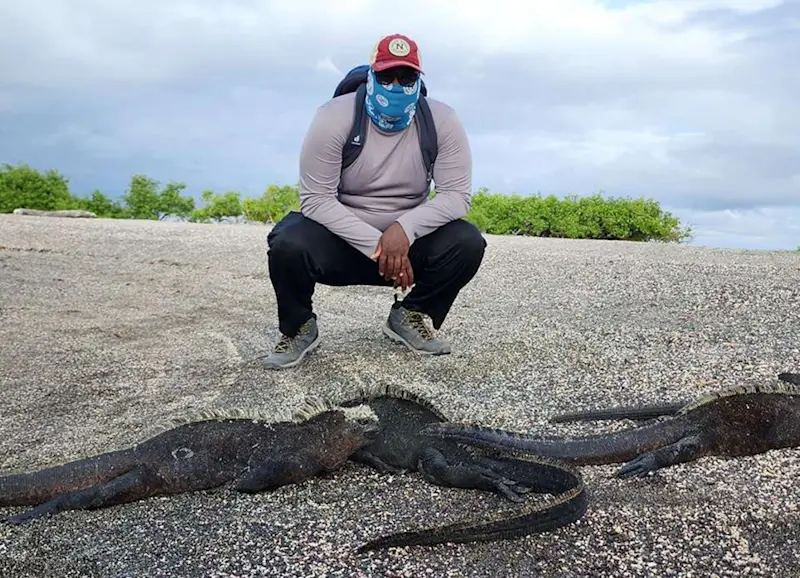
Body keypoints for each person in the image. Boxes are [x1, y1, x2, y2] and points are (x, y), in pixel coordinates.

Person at [262, 32, 486, 369]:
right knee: (287, 242)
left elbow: (457, 196)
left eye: (407, 77)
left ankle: (410, 314)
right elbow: (315, 199)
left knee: (468, 242)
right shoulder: (332, 117)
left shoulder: (442, 120)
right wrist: (379, 246)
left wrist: (404, 229)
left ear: (418, 80)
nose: (396, 86)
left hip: (408, 246)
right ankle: (298, 327)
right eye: (386, 76)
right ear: (371, 75)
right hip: (344, 241)